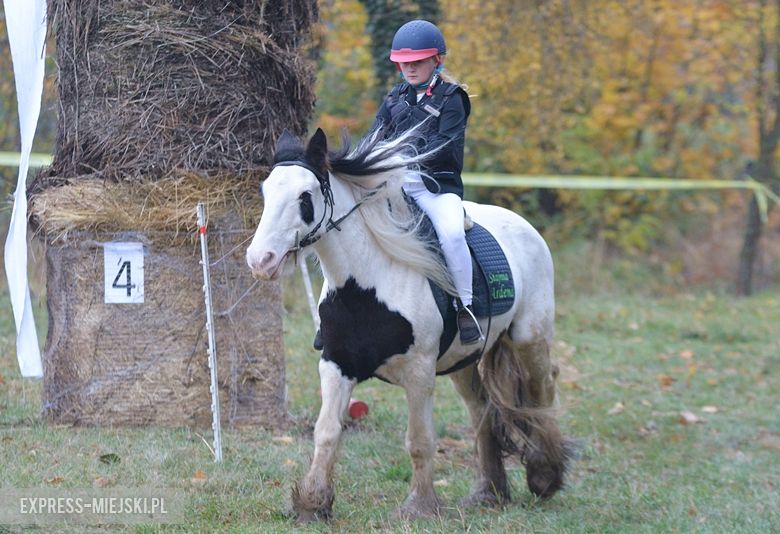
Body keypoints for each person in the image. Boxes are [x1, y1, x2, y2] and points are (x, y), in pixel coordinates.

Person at [371, 19, 482, 345]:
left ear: (437, 60)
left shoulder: (453, 99)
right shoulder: (395, 97)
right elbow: (375, 136)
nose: (409, 68)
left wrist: (398, 156)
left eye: (417, 62)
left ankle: (465, 306)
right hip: (395, 185)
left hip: (436, 187)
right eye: (404, 62)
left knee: (451, 235)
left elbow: (444, 145)